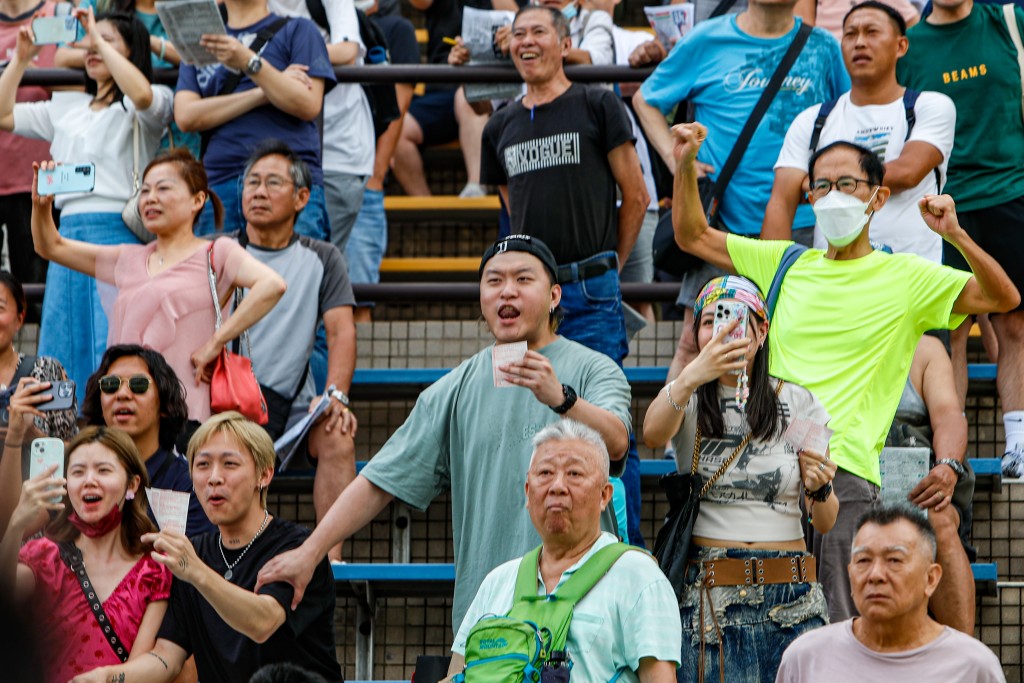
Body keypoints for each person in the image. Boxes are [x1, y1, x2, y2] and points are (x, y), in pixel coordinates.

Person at [669, 123, 1019, 622]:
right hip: (765, 466)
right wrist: (685, 163)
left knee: (838, 631)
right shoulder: (785, 261)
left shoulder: (907, 277)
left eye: (847, 184)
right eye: (822, 186)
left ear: (877, 198)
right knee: (763, 630)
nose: (833, 196)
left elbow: (1003, 297)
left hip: (846, 475)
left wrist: (955, 235)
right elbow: (692, 234)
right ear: (809, 196)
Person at [256, 235, 632, 634]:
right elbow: (378, 481)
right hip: (489, 614)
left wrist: (562, 399)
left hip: (583, 609)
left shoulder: (594, 368)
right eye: (494, 281)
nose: (507, 290)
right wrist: (310, 552)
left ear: (555, 295)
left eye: (523, 280)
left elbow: (618, 440)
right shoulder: (454, 388)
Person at [633, 0, 848, 391]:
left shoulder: (822, 46)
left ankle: (783, 445)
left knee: (790, 339)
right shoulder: (707, 38)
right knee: (695, 340)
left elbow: (845, 115)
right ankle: (675, 446)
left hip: (798, 226)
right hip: (720, 222)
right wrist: (675, 159)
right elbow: (646, 99)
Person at [643, 275, 837, 683]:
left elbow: (825, 520)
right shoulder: (688, 398)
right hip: (711, 594)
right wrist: (695, 373)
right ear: (695, 333)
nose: (722, 329)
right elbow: (652, 433)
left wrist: (820, 486)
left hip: (792, 592)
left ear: (761, 331)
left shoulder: (796, 401)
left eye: (735, 318)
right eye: (710, 320)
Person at [69, 412, 342, 683]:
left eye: (229, 464)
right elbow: (166, 656)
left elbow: (263, 622)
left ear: (264, 474)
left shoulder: (298, 547)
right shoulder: (194, 553)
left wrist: (195, 571)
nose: (213, 478)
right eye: (202, 465)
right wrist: (107, 677)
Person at [29, 149, 287, 422]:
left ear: (198, 200)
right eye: (146, 190)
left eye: (163, 188)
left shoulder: (217, 253)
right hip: (126, 410)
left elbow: (272, 285)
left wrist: (215, 343)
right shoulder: (128, 258)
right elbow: (50, 246)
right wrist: (41, 205)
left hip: (185, 413)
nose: (151, 198)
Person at [0, 9, 173, 400]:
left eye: (107, 41)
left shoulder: (150, 102)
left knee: (113, 337)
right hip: (64, 234)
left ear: (132, 51)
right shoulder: (68, 106)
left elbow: (142, 94)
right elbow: (3, 114)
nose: (92, 47)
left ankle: (114, 434)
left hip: (118, 231)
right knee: (64, 336)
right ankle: (63, 433)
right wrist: (22, 60)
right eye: (89, 41)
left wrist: (95, 36)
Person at [446, 420, 681, 683]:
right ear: (527, 491)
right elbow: (457, 674)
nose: (557, 486)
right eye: (545, 473)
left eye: (574, 474)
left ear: (604, 495)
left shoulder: (638, 577)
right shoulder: (498, 581)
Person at [896, 0, 1024, 479]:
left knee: (1014, 324)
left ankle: (1019, 447)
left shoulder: (1008, 20)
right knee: (947, 332)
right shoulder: (909, 44)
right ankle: (951, 456)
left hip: (1009, 192)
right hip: (938, 204)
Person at [235, 141, 357, 563]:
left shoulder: (322, 257)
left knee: (338, 431)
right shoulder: (220, 252)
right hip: (226, 405)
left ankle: (330, 558)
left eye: (272, 183)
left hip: (291, 407)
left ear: (302, 198)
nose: (259, 192)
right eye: (252, 182)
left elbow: (341, 332)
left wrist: (336, 395)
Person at [763, 0, 954, 264]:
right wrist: (773, 277)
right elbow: (781, 202)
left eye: (872, 32)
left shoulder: (929, 106)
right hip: (833, 280)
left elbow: (908, 173)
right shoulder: (813, 119)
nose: (860, 42)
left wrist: (822, 184)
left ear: (901, 45)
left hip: (913, 277)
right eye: (850, 34)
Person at [0, 426, 172, 683]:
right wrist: (15, 525)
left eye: (103, 470)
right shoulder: (44, 556)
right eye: (78, 472)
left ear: (132, 483)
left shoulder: (154, 568)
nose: (89, 480)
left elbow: (140, 667)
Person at [775, 504, 1005, 682]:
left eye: (894, 560)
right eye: (863, 560)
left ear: (931, 578)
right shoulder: (806, 658)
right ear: (850, 573)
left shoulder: (973, 667)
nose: (875, 575)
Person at [175, 0, 336, 239]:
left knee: (293, 275)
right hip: (220, 183)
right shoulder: (202, 42)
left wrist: (248, 62)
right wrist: (265, 92)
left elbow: (307, 104)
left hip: (286, 181)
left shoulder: (300, 30)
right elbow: (186, 116)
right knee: (218, 276)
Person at [882, 335, 976, 632]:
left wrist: (947, 466)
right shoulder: (828, 339)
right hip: (852, 472)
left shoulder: (925, 348)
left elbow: (950, 415)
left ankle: (963, 658)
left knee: (938, 515)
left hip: (919, 466)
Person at [268, 0, 373, 255]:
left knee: (317, 262)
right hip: (275, 153)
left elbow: (347, 50)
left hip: (338, 151)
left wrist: (278, 59)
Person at [81, 344, 215, 537]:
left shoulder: (189, 486)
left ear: (164, 403)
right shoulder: (81, 477)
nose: (123, 395)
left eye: (138, 385)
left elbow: (191, 563)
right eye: (110, 385)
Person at [348, 0, 419, 321]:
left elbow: (399, 105)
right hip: (322, 174)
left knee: (360, 295)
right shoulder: (319, 24)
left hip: (363, 177)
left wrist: (376, 174)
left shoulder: (396, 29)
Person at [0, 0, 57, 304]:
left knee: (33, 294)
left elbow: (83, 87)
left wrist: (31, 68)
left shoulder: (59, 13)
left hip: (35, 180)